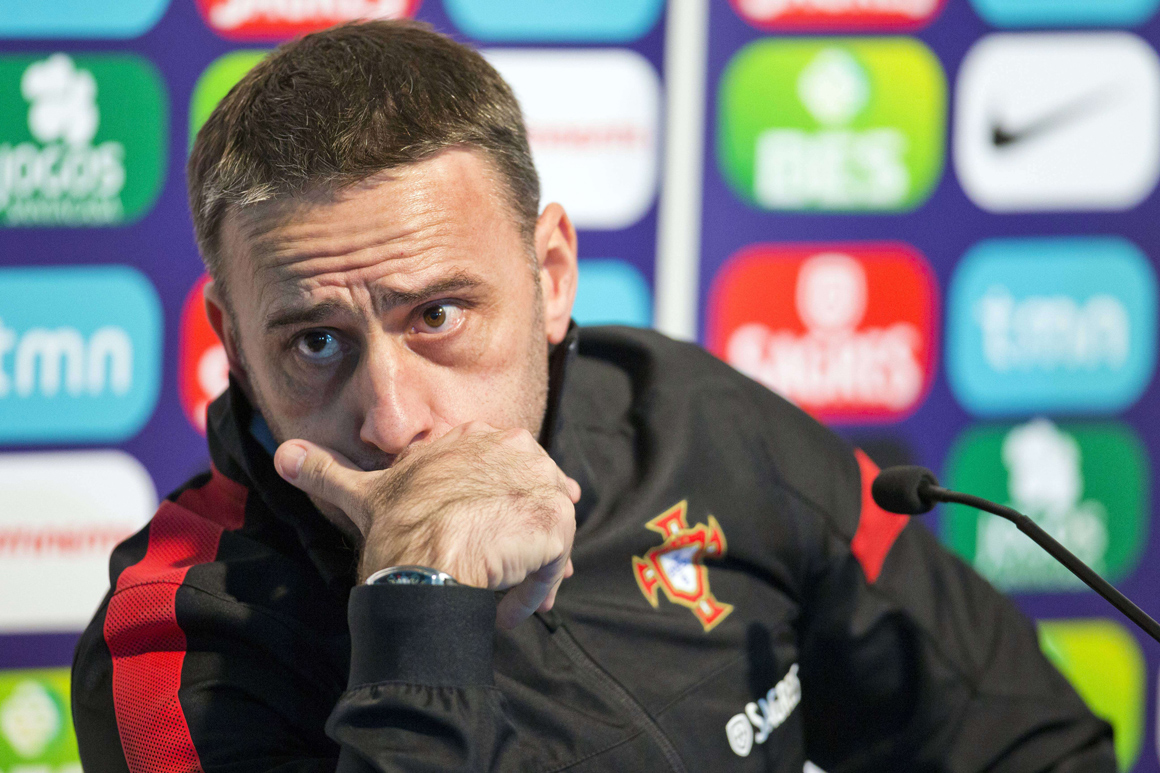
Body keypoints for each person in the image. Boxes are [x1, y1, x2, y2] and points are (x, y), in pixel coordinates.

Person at [72, 20, 1114, 773]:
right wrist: (421, 609)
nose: (393, 419)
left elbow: (1025, 740)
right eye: (315, 342)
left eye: (438, 313)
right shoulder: (177, 636)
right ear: (234, 344)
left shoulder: (694, 421)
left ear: (552, 274)